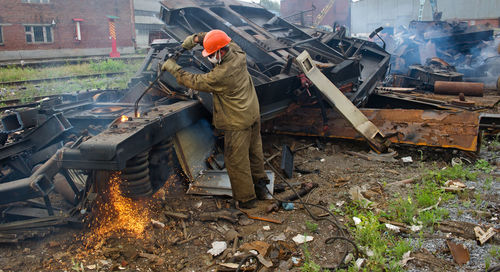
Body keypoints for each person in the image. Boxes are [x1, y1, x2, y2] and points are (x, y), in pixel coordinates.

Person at [162, 29, 269, 209]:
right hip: (252, 112)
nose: (209, 57)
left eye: (211, 54)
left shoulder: (222, 75)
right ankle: (261, 188)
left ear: (220, 52)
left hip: (237, 121)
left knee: (236, 160)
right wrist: (196, 38)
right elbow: (217, 37)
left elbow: (195, 81)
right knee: (254, 152)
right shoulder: (236, 51)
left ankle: (246, 200)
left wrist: (173, 67)